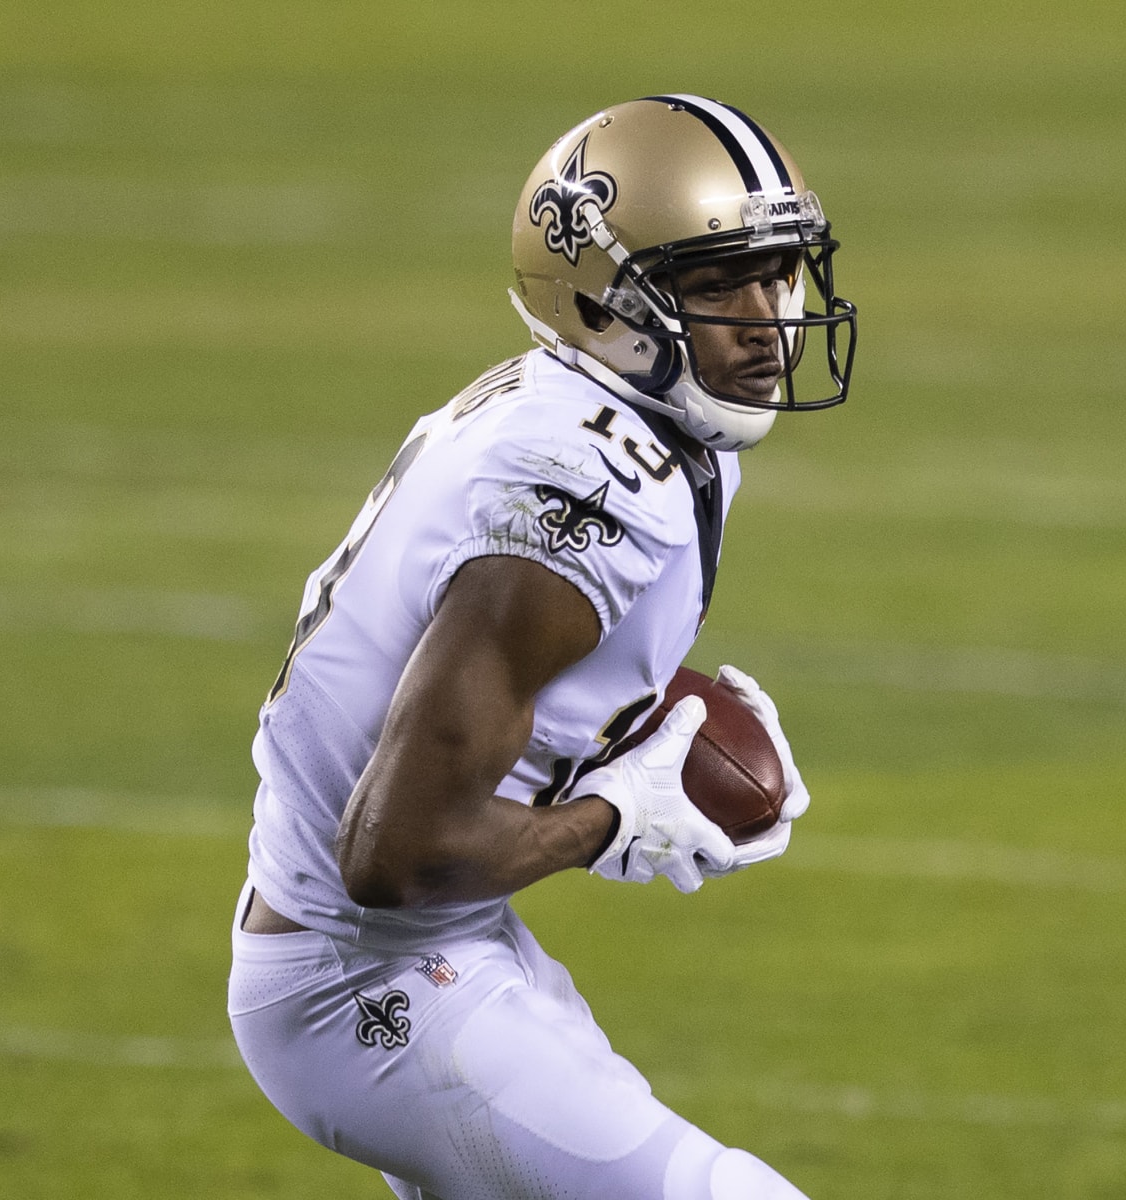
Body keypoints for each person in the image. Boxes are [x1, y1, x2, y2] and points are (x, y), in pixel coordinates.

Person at [228, 94, 858, 1199]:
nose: (769, 318)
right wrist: (618, 814)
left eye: (780, 271)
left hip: (438, 943)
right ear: (604, 304)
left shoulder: (605, 419)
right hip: (364, 978)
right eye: (719, 284)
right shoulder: (588, 491)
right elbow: (392, 856)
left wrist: (632, 744)